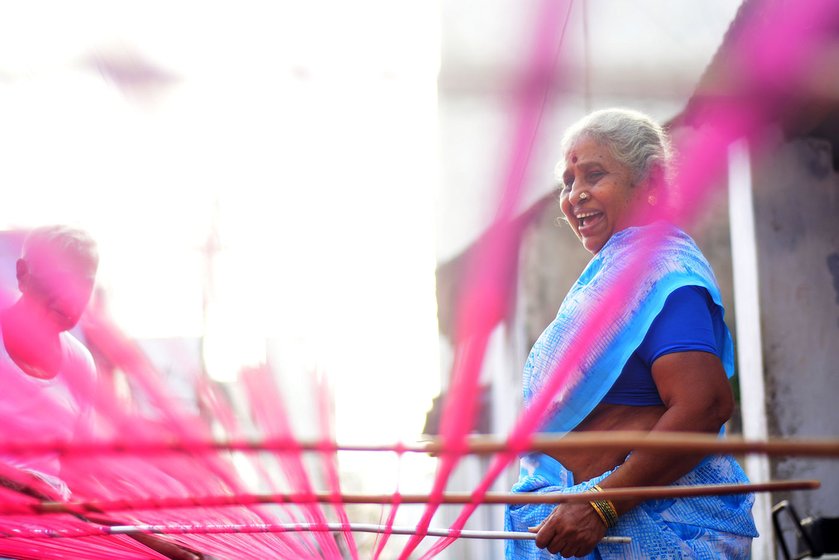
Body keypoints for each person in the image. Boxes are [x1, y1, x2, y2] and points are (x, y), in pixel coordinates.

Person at [504, 109, 758, 559]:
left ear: (653, 182)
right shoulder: (603, 283)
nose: (575, 195)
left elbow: (706, 405)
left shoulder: (662, 274)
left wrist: (602, 505)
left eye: (593, 175)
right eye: (567, 182)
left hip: (654, 527)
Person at [0, 225, 99, 501]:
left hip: (48, 533)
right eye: (59, 281)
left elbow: (81, 474)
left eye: (84, 284)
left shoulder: (80, 364)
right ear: (23, 275)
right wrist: (23, 484)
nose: (70, 298)